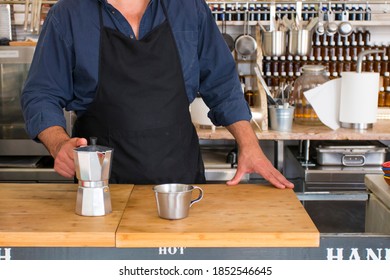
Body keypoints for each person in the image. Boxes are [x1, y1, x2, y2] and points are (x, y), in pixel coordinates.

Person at [21, 0, 293, 189]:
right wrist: (58, 144)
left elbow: (221, 82)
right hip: (101, 186)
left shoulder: (189, 8)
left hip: (180, 182)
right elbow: (41, 93)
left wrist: (249, 145)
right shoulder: (68, 14)